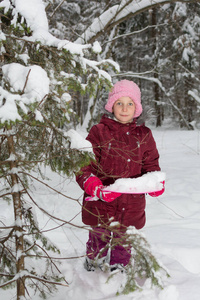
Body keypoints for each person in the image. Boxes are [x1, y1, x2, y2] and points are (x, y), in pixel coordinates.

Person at [76, 79, 165, 272]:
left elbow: (151, 165)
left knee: (123, 239)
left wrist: (155, 182)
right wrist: (96, 188)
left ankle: (119, 268)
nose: (124, 109)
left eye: (130, 104)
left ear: (137, 108)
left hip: (130, 204)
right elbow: (84, 167)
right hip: (101, 203)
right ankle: (93, 263)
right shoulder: (98, 132)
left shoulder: (144, 135)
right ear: (111, 106)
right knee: (98, 236)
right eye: (119, 103)